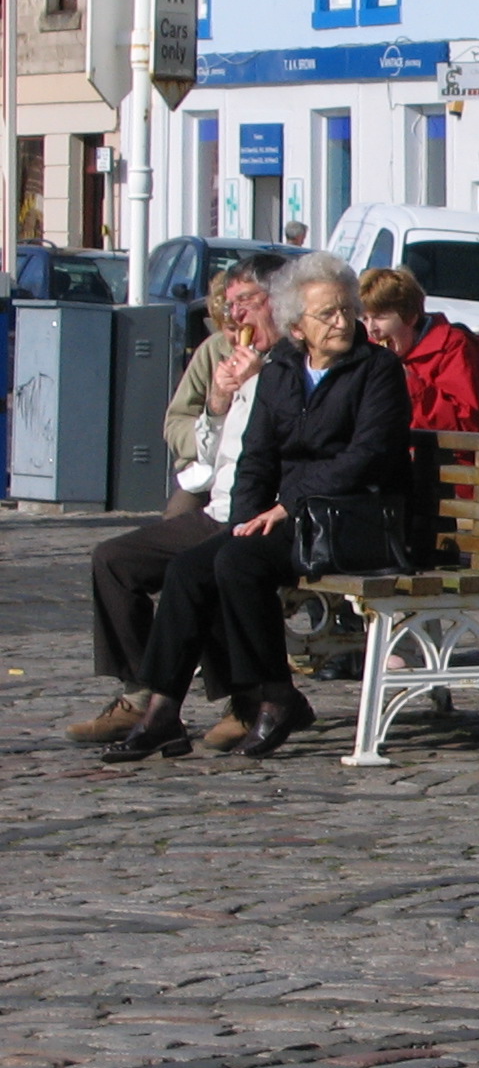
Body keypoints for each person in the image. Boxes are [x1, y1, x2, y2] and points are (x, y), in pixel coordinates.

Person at [100, 253, 413, 762]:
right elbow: (257, 457)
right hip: (289, 517)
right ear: (297, 327)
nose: (341, 322)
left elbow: (367, 457)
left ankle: (275, 694)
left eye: (345, 311)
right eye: (326, 315)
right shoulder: (284, 370)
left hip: (352, 519)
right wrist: (244, 517)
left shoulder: (377, 370)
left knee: (238, 563)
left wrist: (286, 507)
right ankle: (161, 710)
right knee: (190, 567)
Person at [67, 258, 287, 749]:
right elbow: (206, 454)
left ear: (278, 299)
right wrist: (217, 403)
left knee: (199, 569)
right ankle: (142, 691)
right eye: (229, 306)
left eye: (245, 303)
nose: (236, 318)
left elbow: (285, 446)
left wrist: (260, 383)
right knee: (114, 560)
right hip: (221, 505)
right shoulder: (228, 354)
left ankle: (244, 699)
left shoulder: (290, 362)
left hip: (264, 513)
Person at [161, 255, 290, 513]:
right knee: (177, 514)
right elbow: (176, 422)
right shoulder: (211, 351)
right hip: (208, 472)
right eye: (229, 326)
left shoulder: (283, 355)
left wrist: (254, 384)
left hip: (259, 483)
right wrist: (217, 409)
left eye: (244, 304)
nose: (238, 330)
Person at [361, 265, 479, 433]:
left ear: (410, 317)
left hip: (443, 455)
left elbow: (467, 423)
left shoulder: (454, 346)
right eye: (365, 318)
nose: (371, 328)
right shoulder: (368, 348)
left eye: (380, 317)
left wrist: (409, 383)